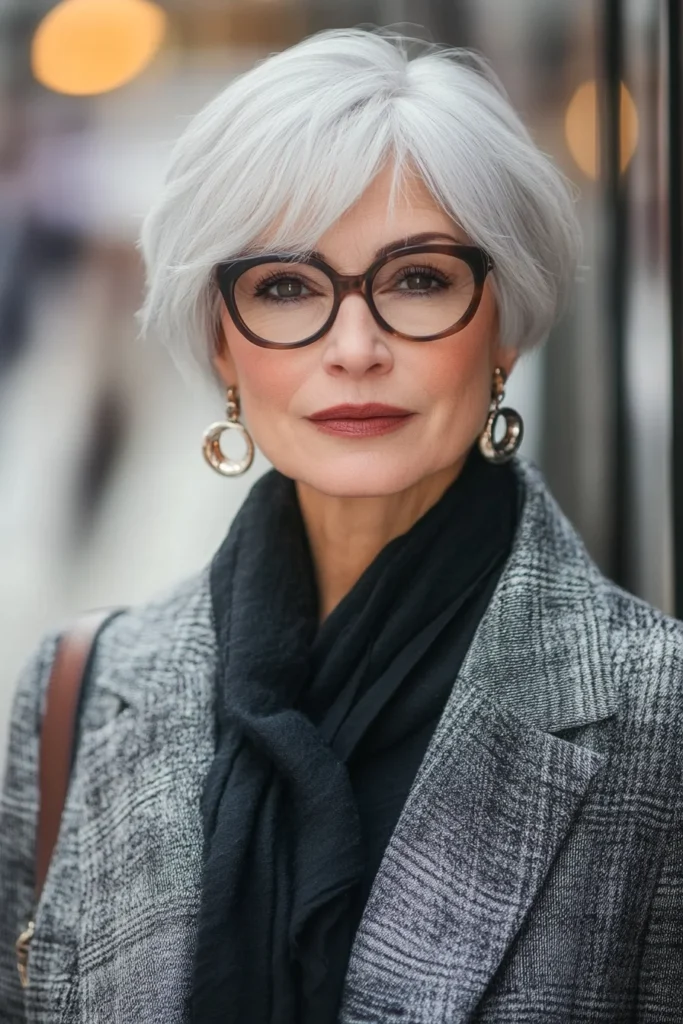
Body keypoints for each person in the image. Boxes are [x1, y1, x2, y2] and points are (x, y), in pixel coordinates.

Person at [1, 26, 681, 1024]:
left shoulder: (655, 716)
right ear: (222, 344)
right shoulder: (82, 689)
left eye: (416, 279)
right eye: (285, 288)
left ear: (502, 325)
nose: (354, 347)